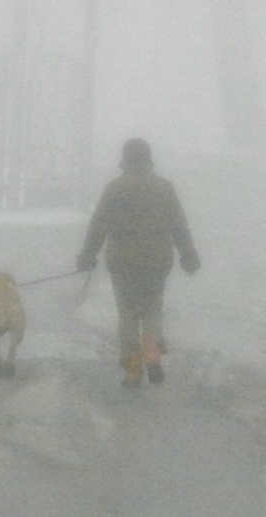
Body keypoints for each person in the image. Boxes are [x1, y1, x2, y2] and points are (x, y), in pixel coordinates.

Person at [76, 138, 201, 387]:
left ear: (125, 160)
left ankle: (133, 370)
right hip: (157, 261)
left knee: (129, 315)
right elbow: (178, 223)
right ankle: (153, 357)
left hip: (124, 263)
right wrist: (188, 253)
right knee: (153, 311)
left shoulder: (115, 188)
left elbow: (99, 224)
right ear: (148, 160)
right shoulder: (164, 188)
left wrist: (88, 254)